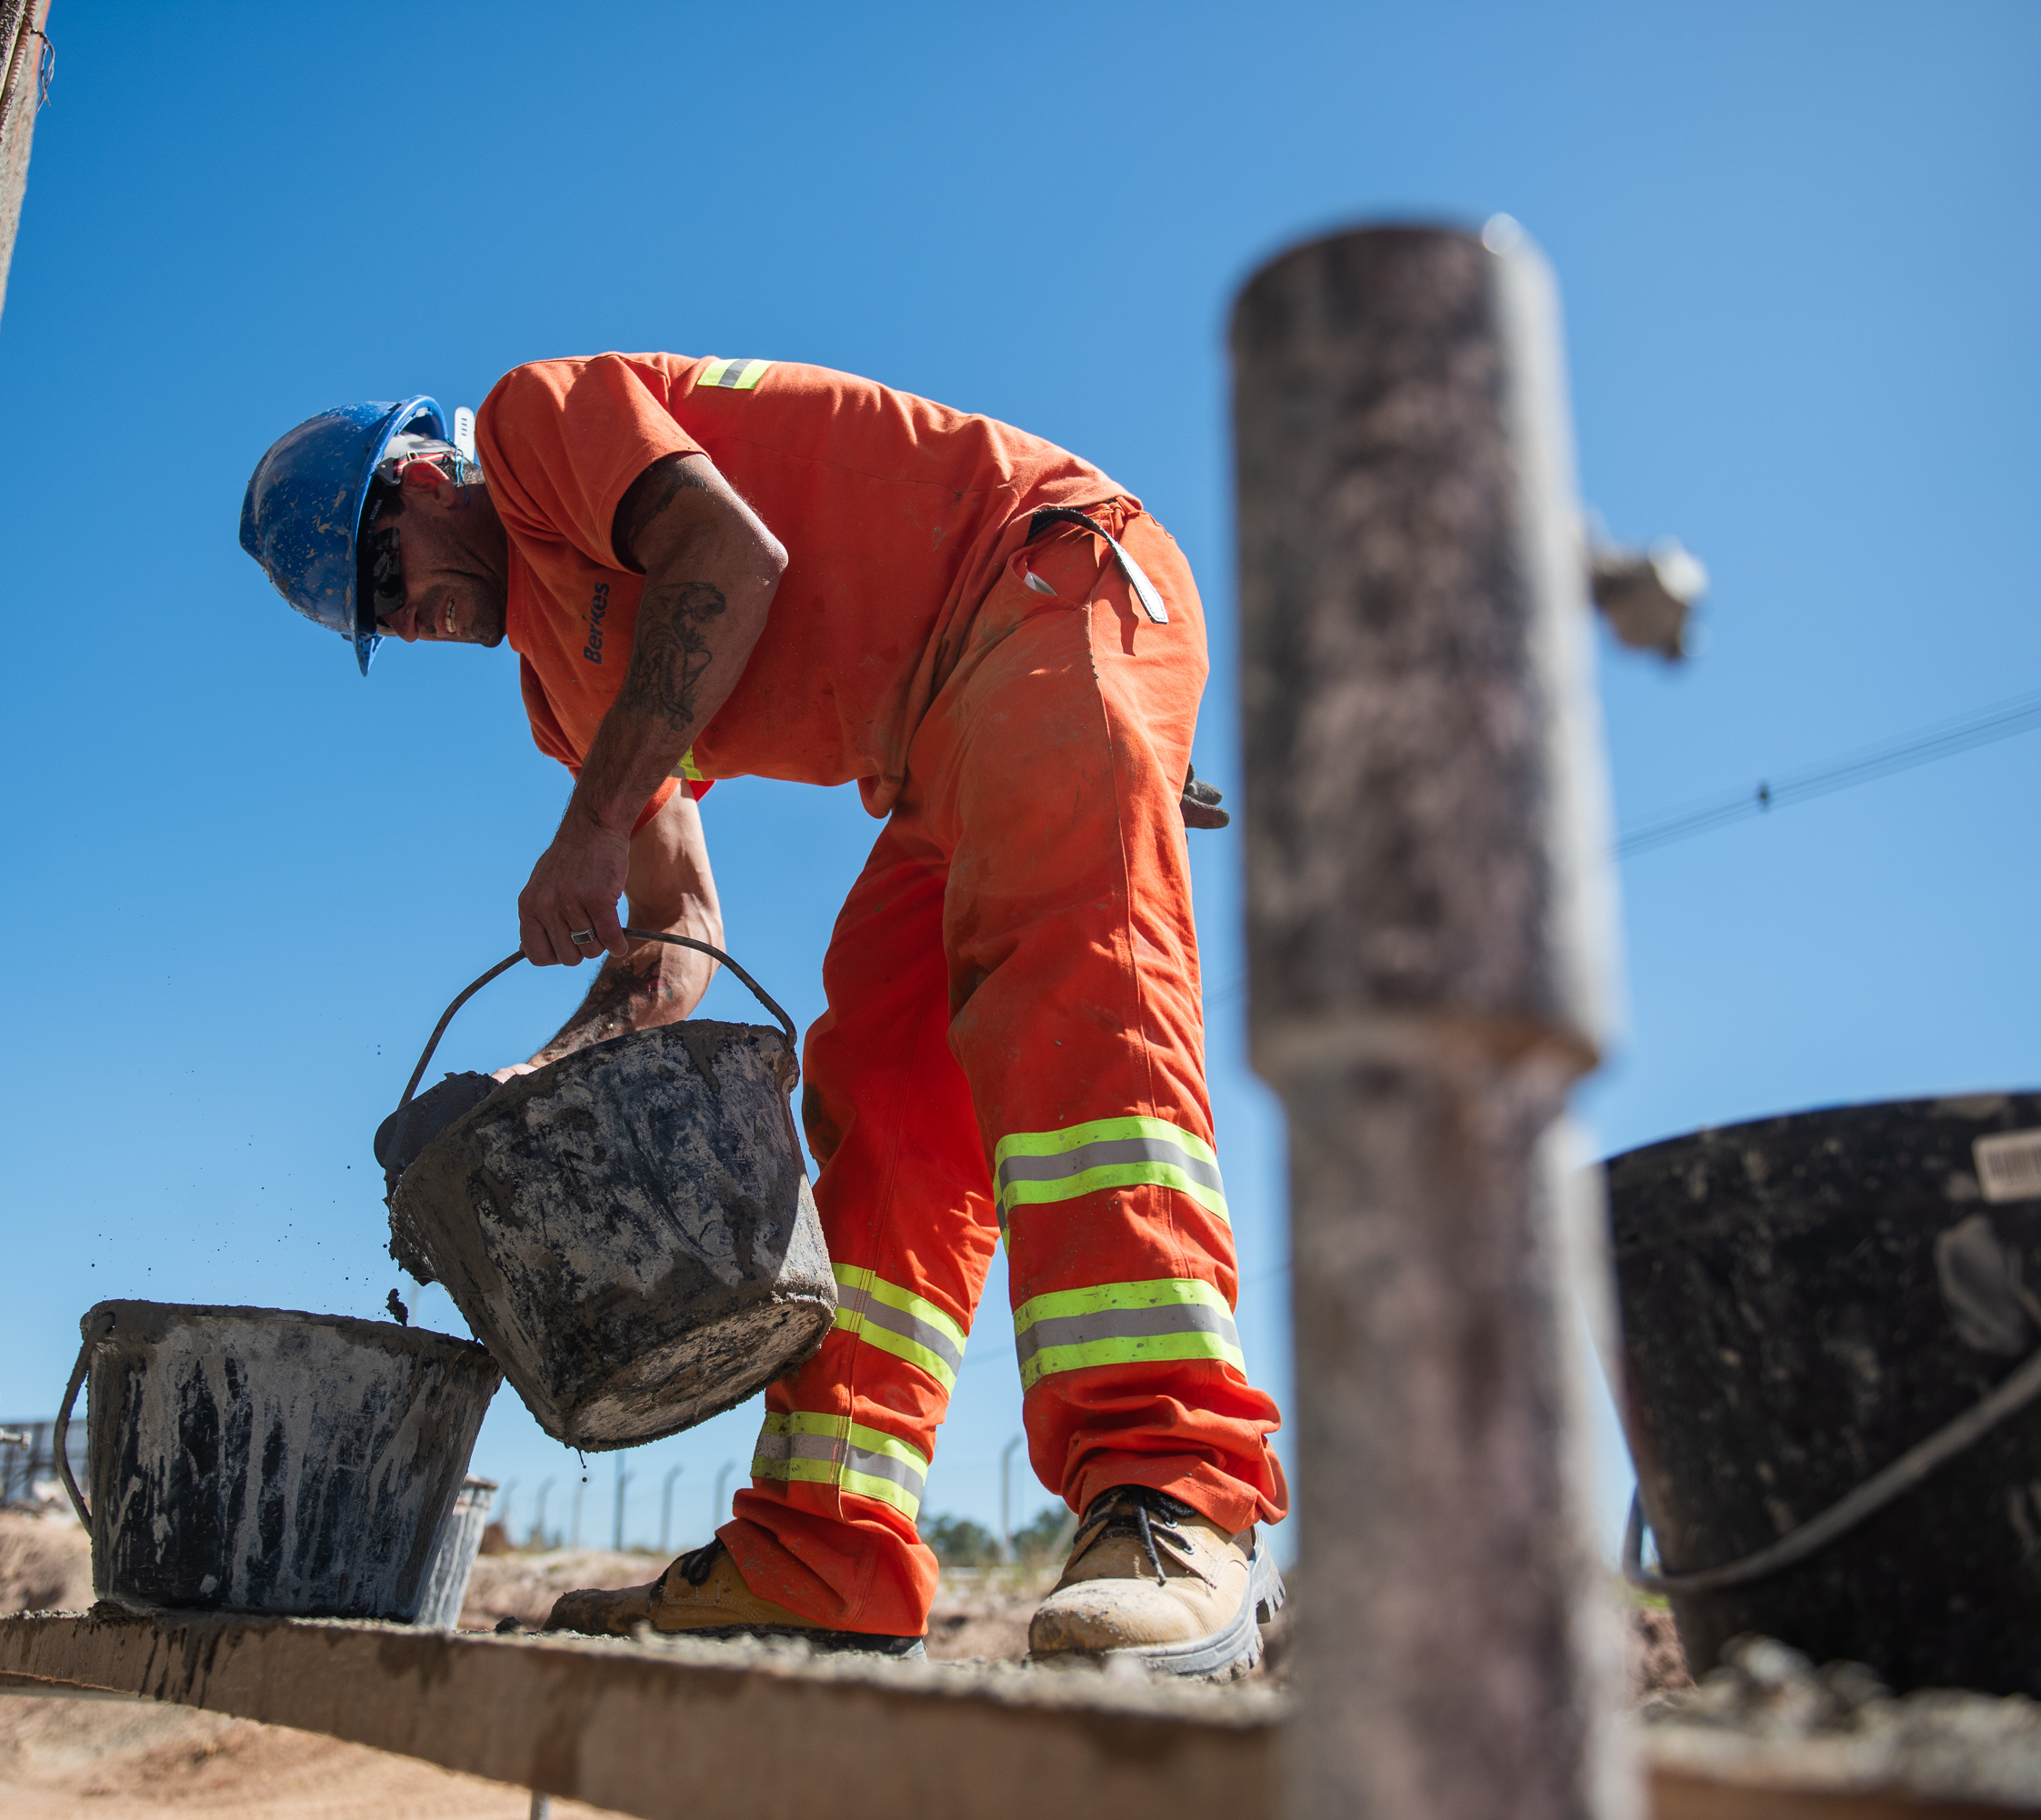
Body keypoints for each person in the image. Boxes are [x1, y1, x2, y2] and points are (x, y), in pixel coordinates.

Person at [240, 355, 1287, 1675]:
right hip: (939, 734)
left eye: (387, 568)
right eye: (377, 620)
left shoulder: (535, 427)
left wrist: (590, 823)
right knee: (883, 1089)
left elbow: (731, 557)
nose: (411, 613)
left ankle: (1178, 1492)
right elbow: (681, 937)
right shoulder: (564, 696)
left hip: (1046, 577)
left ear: (427, 473)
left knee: (1067, 997)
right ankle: (824, 1548)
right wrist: (532, 1077)